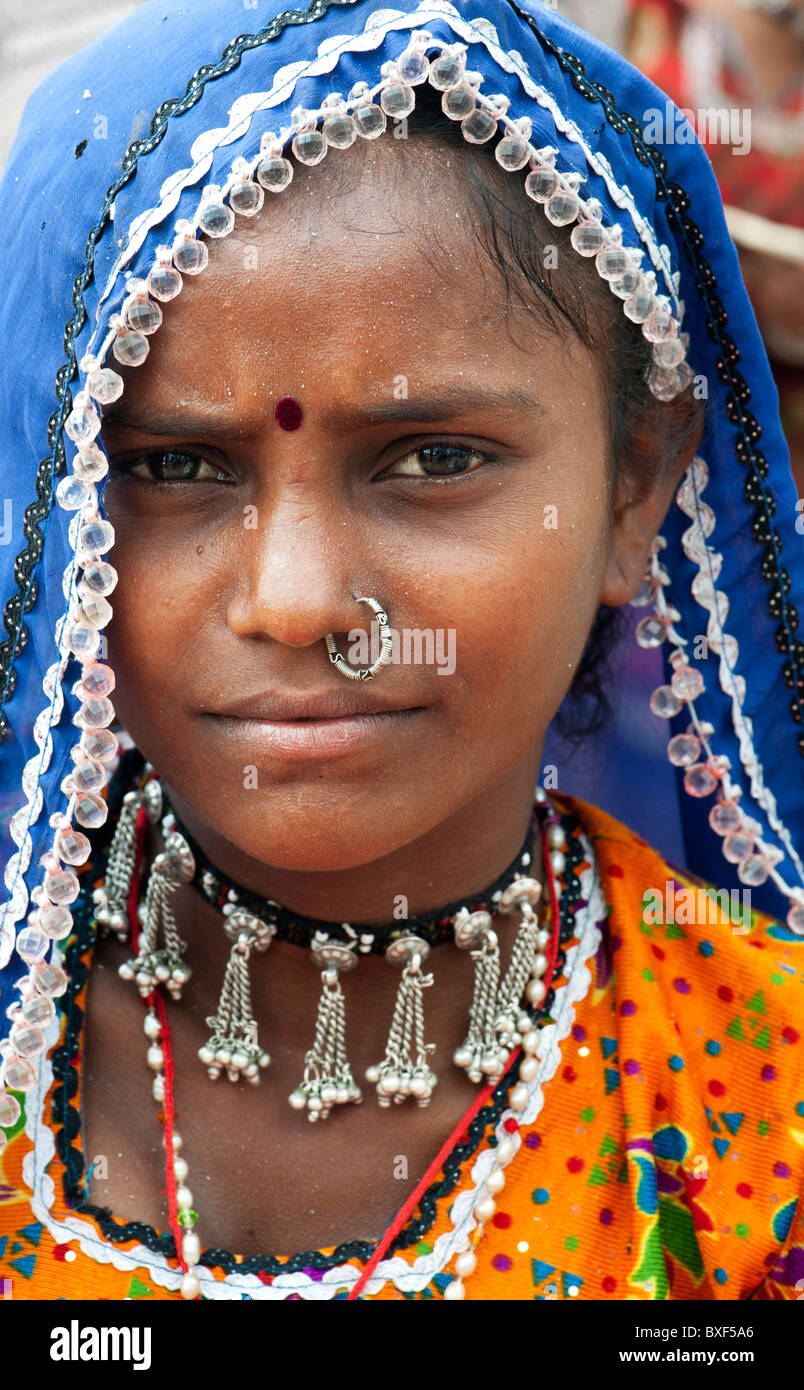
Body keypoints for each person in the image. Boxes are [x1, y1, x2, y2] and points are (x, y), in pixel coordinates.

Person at [0, 0, 802, 1303]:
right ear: (56, 503)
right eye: (179, 466)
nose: (298, 599)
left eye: (432, 458)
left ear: (634, 485)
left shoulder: (766, 1110)